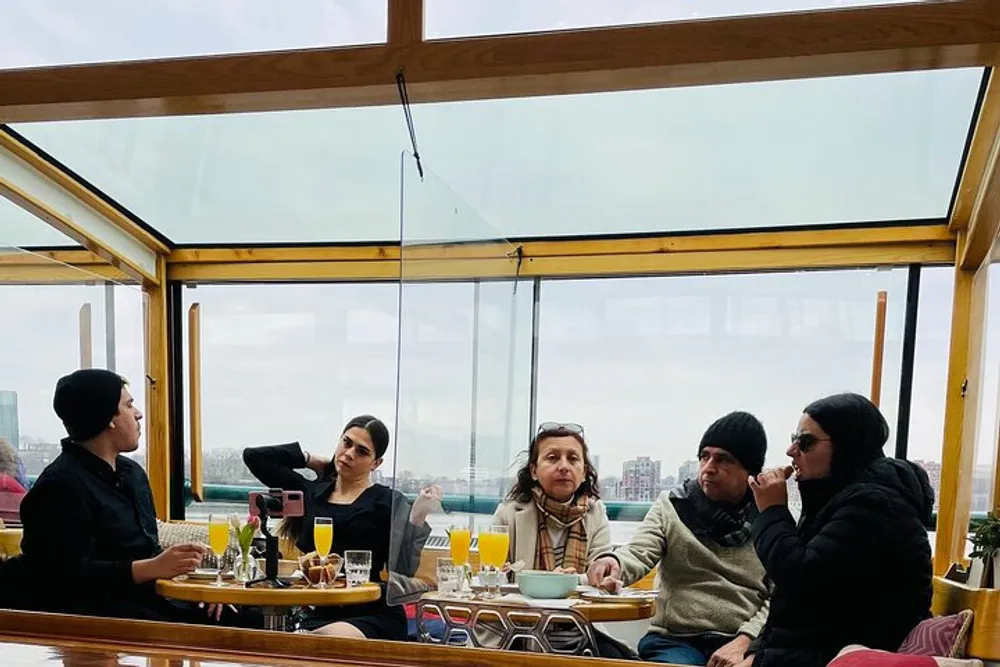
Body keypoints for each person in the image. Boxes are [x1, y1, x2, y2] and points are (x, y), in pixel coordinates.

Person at [15, 369, 250, 625]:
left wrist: (204, 588)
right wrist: (152, 568)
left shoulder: (132, 473)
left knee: (247, 615)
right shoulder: (59, 486)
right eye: (129, 405)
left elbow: (147, 549)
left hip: (152, 600)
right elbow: (58, 577)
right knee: (247, 630)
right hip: (105, 618)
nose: (138, 413)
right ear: (108, 419)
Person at [747, 393, 934, 667]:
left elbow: (801, 578)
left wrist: (772, 512)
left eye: (806, 442)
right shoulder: (837, 502)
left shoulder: (873, 506)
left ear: (847, 446)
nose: (791, 451)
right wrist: (755, 653)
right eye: (793, 438)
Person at [588, 411, 771, 666]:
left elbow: (780, 596)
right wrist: (613, 563)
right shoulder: (672, 505)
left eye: (723, 460)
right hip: (676, 639)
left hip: (745, 640)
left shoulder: (770, 519)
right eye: (704, 457)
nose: (708, 468)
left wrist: (746, 642)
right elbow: (640, 552)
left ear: (749, 470)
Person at [242, 415, 438, 640]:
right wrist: (313, 461)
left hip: (370, 612)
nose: (349, 453)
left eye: (362, 451)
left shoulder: (387, 501)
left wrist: (418, 516)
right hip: (315, 610)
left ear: (376, 463)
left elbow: (404, 569)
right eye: (346, 442)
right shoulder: (312, 492)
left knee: (312, 643)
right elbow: (254, 457)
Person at [493, 422, 610, 572]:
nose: (564, 467)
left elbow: (601, 575)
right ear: (534, 471)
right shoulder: (508, 514)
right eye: (552, 458)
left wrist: (572, 581)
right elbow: (491, 575)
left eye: (573, 459)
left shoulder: (596, 513)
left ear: (584, 474)